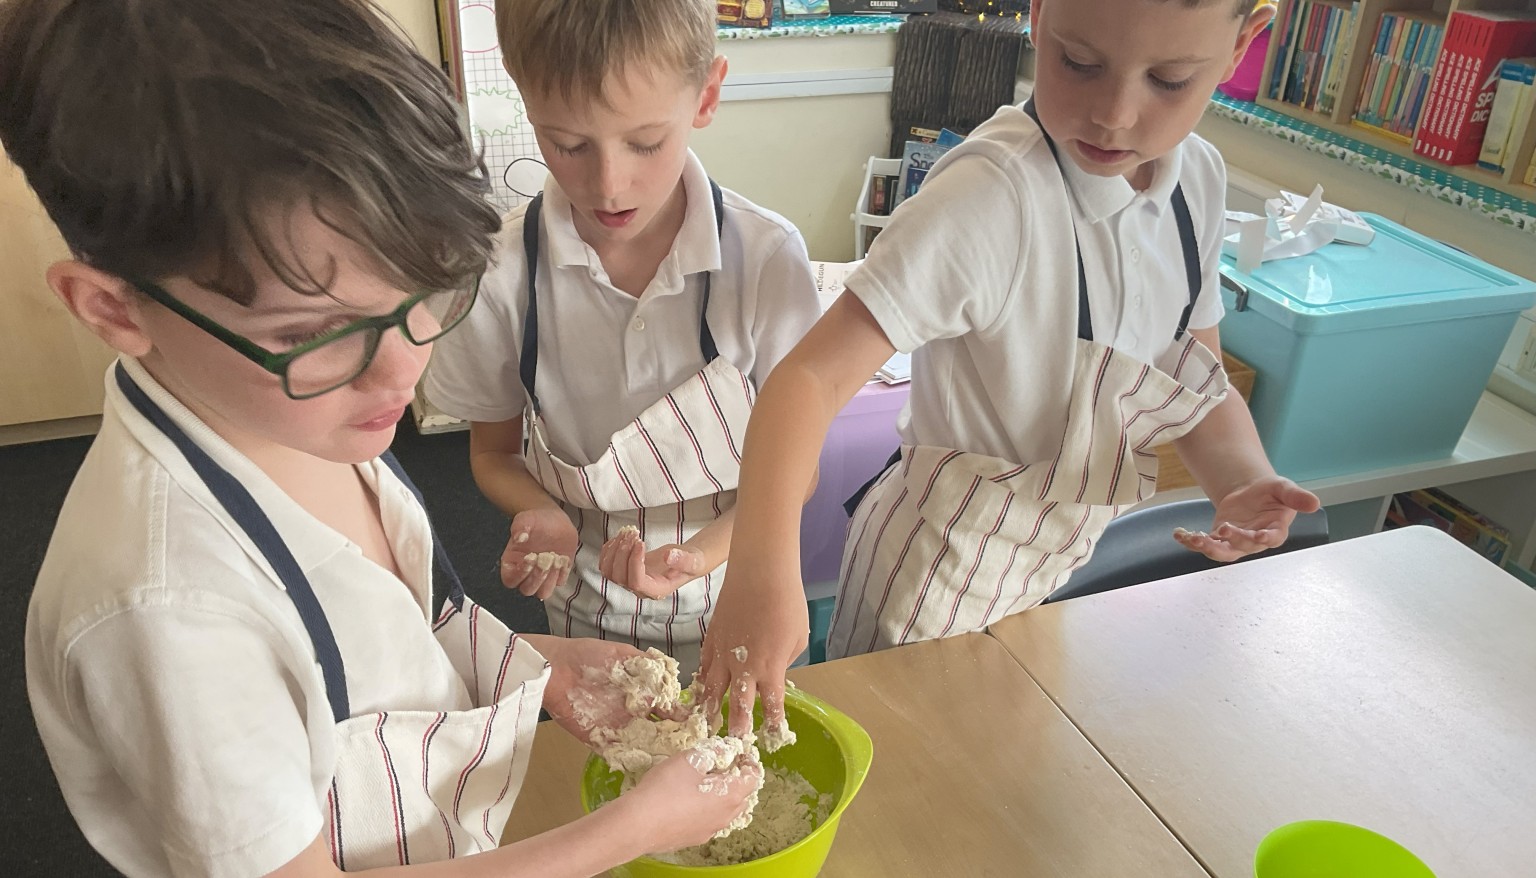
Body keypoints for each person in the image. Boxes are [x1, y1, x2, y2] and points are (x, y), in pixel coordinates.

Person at [6, 1, 758, 874]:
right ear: (114, 309)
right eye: (315, 335)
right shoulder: (173, 616)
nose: (403, 376)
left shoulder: (293, 416)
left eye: (422, 297)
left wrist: (544, 666)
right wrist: (624, 834)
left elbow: (391, 652)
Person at [697, 0, 1321, 734]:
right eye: (1078, 64)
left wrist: (1241, 480)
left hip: (1053, 570)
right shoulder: (992, 194)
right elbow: (806, 380)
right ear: (1037, 15)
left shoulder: (1199, 187)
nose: (1114, 115)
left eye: (1170, 79)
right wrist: (762, 574)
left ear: (1244, 43)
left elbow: (1192, 376)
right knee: (905, 785)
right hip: (931, 583)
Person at [424, 0, 822, 681]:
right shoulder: (498, 273)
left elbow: (800, 470)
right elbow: (493, 453)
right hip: (585, 614)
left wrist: (698, 557)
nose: (608, 185)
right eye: (569, 144)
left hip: (745, 585)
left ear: (707, 95)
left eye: (644, 143)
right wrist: (539, 511)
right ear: (526, 106)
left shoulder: (764, 258)